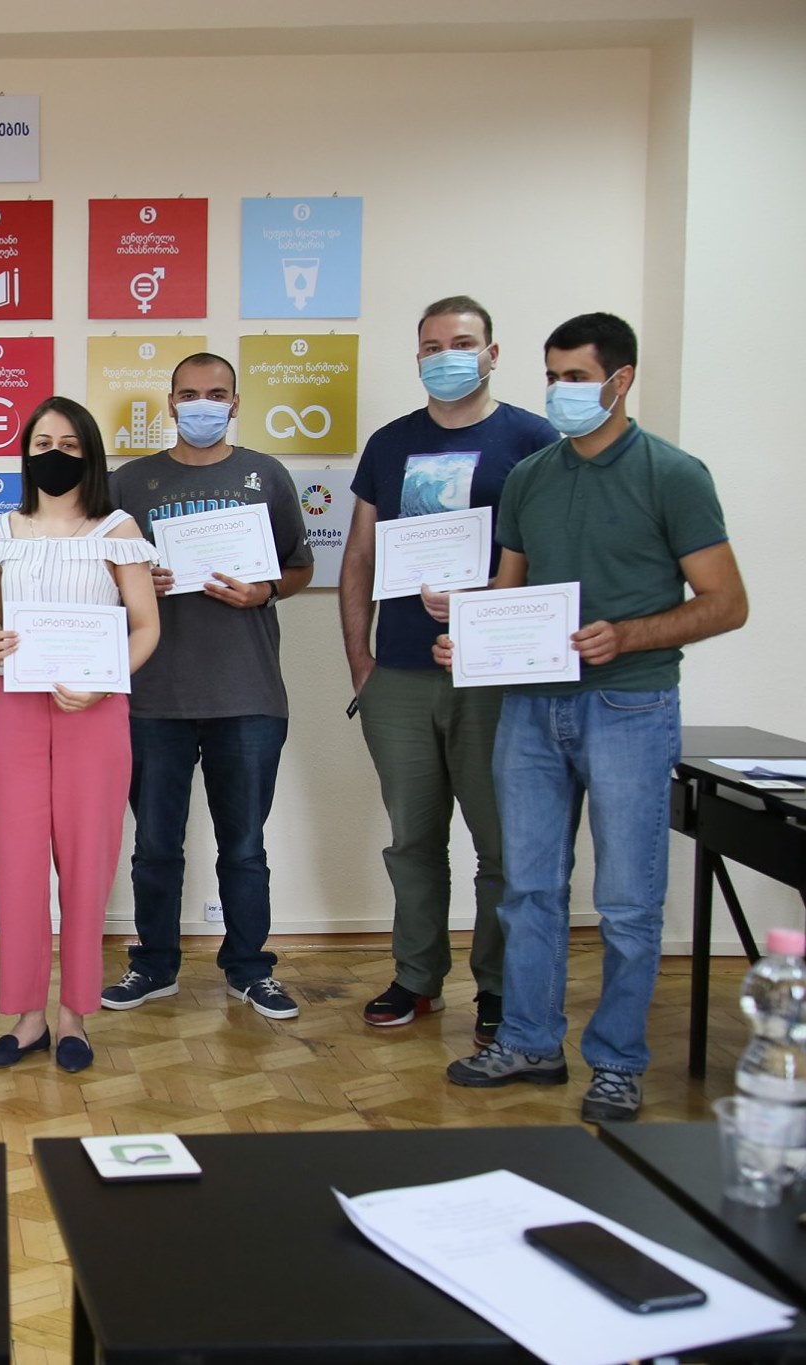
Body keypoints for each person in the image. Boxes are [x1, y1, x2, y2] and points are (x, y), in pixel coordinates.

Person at [439, 313, 747, 1122]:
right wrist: (469, 638)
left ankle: (616, 1061)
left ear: (621, 379)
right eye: (552, 376)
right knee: (528, 887)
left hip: (630, 705)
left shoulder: (673, 474)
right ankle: (530, 1042)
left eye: (576, 377)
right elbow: (509, 591)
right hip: (530, 707)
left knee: (628, 900)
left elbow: (726, 602)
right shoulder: (531, 476)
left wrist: (629, 634)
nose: (559, 391)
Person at [339, 298, 559, 1046]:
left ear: (492, 353)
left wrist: (486, 609)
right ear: (418, 358)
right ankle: (417, 976)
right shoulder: (391, 442)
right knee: (412, 841)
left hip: (495, 677)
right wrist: (361, 662)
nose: (447, 357)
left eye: (462, 343)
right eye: (432, 346)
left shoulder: (532, 439)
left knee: (501, 845)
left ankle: (498, 986)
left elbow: (551, 557)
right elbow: (359, 556)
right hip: (399, 676)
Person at [103, 353, 314, 1021]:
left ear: (235, 403)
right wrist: (135, 583)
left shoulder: (266, 475)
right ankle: (154, 964)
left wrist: (265, 590)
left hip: (247, 695)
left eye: (216, 394)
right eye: (190, 394)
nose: (202, 404)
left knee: (244, 846)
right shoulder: (127, 482)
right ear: (170, 403)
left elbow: (300, 566)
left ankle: (250, 969)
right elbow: (94, 573)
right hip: (152, 695)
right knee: (154, 845)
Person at [0, 397, 160, 1073]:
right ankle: (28, 1018)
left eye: (70, 444)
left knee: (87, 861)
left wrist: (106, 681)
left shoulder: (118, 529)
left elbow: (147, 626)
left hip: (96, 711)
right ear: (26, 454)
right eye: (42, 443)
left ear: (90, 454)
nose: (55, 454)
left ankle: (75, 1015)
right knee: (18, 860)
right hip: (14, 707)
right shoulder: (3, 528)